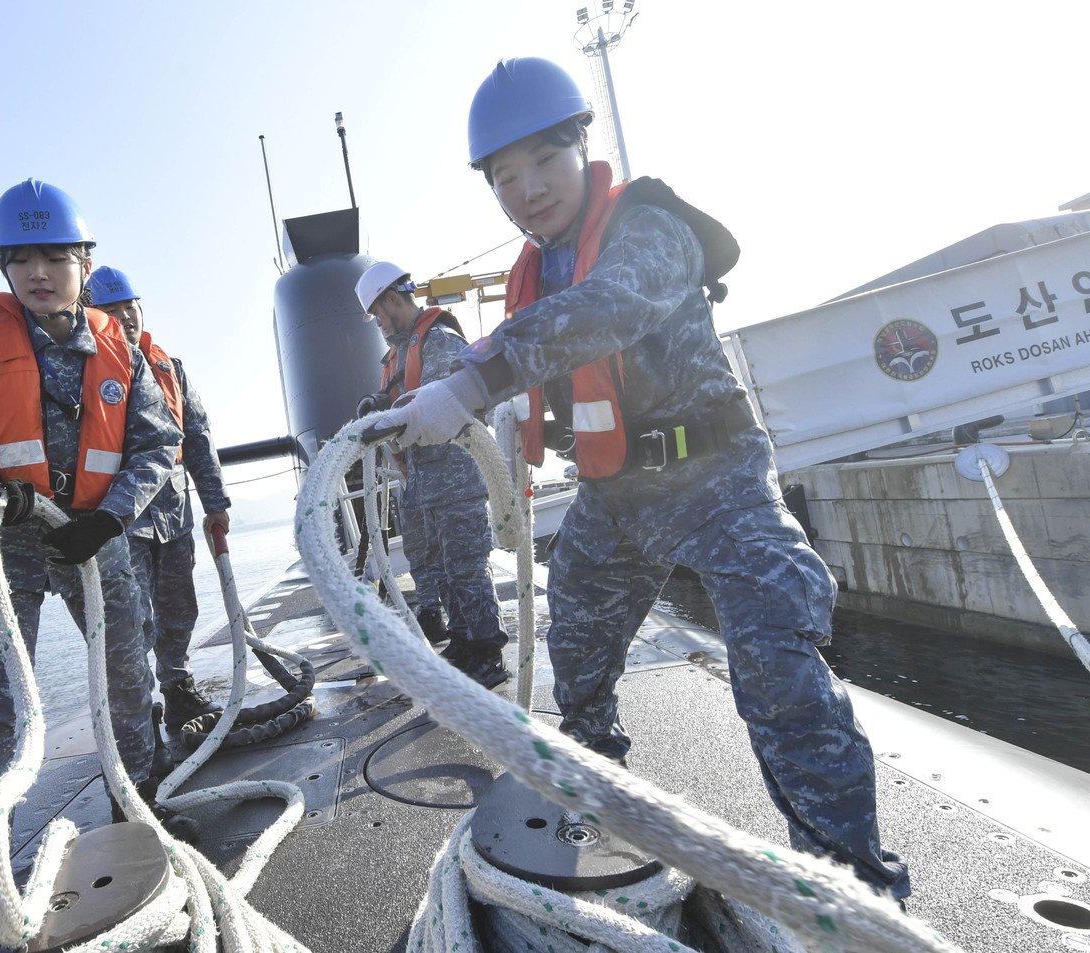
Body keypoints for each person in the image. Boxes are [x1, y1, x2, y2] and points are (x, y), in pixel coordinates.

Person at [373, 57, 910, 900]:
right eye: (506, 178)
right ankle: (598, 797)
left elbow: (609, 307)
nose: (528, 191)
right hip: (615, 495)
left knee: (779, 672)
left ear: (582, 147)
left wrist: (475, 377)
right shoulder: (535, 271)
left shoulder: (649, 224)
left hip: (716, 480)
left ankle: (852, 891)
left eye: (544, 164)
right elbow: (557, 344)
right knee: (577, 655)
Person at [0, 179, 181, 909]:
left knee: (131, 679)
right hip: (10, 550)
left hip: (100, 543)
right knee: (1, 706)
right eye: (23, 258)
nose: (39, 273)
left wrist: (113, 515)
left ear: (83, 261)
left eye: (56, 257)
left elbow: (159, 444)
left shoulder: (119, 351)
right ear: (4, 266)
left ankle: (140, 811)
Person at [86, 265, 229, 739]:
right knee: (130, 621)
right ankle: (138, 711)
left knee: (178, 608)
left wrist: (215, 503)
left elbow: (199, 438)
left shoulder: (171, 367)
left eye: (130, 306)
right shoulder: (86, 370)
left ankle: (178, 686)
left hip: (173, 517)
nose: (125, 316)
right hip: (119, 522)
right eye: (111, 309)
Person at [354, 260, 509, 689]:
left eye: (378, 314)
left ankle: (488, 653)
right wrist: (376, 401)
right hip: (426, 484)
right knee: (445, 566)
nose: (379, 324)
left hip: (457, 478)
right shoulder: (401, 352)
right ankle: (462, 641)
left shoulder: (438, 340)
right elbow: (398, 395)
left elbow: (447, 401)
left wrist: (393, 415)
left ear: (391, 300)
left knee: (467, 567)